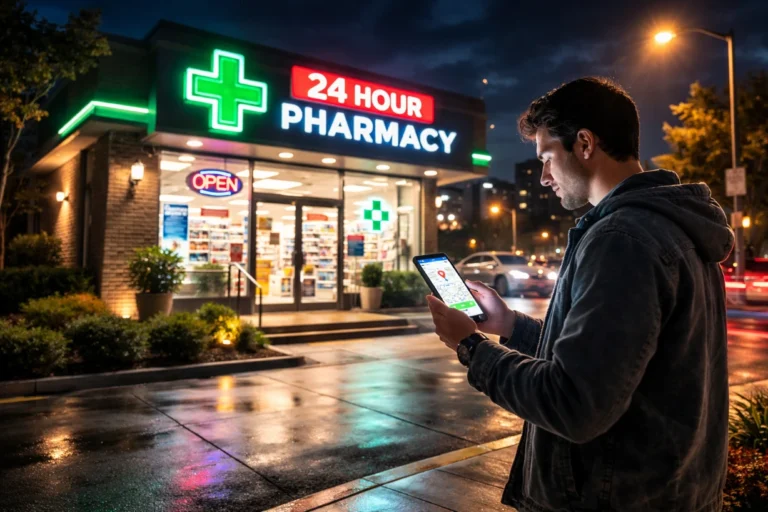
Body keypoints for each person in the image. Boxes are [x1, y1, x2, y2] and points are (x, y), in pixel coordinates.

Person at [427, 77, 733, 511]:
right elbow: (616, 361)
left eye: (547, 157)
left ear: (585, 143)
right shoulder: (671, 226)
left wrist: (471, 346)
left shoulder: (622, 239)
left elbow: (574, 404)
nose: (544, 177)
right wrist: (510, 325)